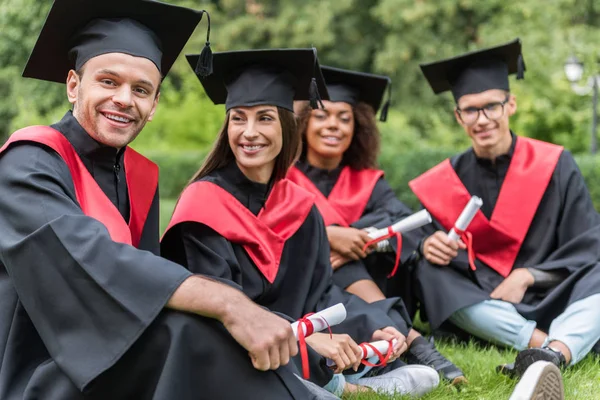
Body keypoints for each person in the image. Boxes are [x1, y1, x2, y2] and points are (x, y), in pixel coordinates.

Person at [0, 1, 331, 398]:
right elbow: (91, 260)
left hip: (112, 352)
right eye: (108, 81)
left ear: (154, 104)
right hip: (37, 368)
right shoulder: (28, 163)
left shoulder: (137, 177)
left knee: (199, 326)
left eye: (141, 90)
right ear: (74, 85)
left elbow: (146, 293)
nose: (124, 99)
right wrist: (227, 301)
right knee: (187, 329)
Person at [160, 48, 440, 398]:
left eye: (264, 118)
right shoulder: (203, 204)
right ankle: (352, 389)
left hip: (291, 344)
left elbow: (321, 293)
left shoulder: (300, 207)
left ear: (286, 126)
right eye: (238, 118)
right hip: (229, 345)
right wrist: (306, 338)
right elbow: (219, 310)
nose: (249, 133)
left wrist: (378, 326)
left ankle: (341, 384)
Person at [411, 38, 600, 377]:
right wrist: (427, 244)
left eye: (491, 107)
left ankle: (556, 352)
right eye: (470, 110)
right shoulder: (445, 179)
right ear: (458, 116)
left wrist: (528, 275)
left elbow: (587, 240)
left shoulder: (555, 164)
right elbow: (419, 240)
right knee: (428, 273)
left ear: (510, 104)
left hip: (551, 290)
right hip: (485, 299)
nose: (482, 119)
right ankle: (543, 343)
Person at [289, 66, 465, 383]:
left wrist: (358, 243)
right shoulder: (284, 178)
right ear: (303, 124)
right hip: (305, 286)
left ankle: (397, 343)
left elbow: (402, 225)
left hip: (361, 283)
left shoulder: (368, 182)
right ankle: (414, 342)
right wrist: (327, 237)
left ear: (358, 128)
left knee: (349, 261)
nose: (333, 125)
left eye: (345, 118)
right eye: (322, 116)